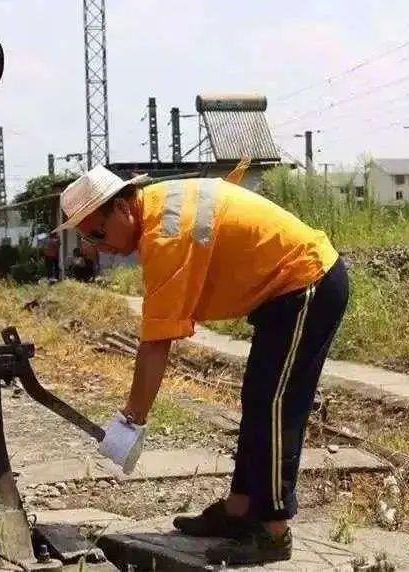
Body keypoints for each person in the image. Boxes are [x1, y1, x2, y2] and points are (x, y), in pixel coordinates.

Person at [55, 166, 348, 565]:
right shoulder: (158, 213)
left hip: (306, 280)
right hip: (283, 291)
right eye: (87, 238)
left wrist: (132, 419)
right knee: (258, 401)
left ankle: (273, 531)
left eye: (98, 234)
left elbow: (156, 342)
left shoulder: (166, 233)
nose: (96, 246)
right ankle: (240, 509)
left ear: (122, 207)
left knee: (277, 408)